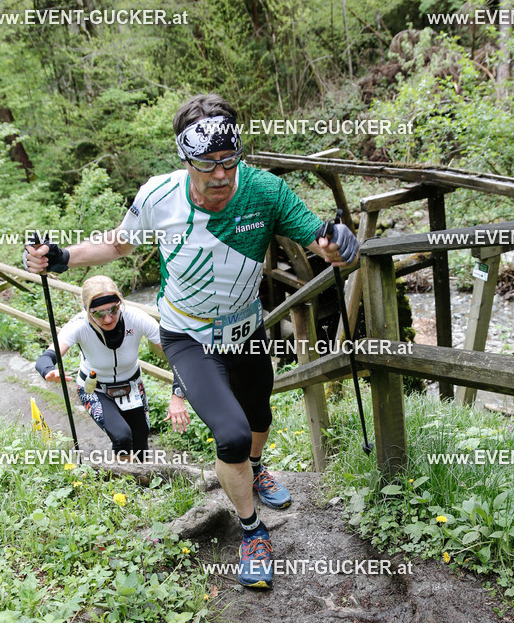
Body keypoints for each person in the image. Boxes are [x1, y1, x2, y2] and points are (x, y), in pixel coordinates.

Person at [24, 93, 359, 588]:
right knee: (232, 435)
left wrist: (341, 247)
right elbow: (119, 243)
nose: (221, 175)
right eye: (207, 165)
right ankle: (252, 532)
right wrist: (60, 257)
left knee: (260, 416)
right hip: (187, 336)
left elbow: (323, 243)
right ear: (185, 160)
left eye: (229, 161)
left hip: (246, 331)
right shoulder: (159, 196)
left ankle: (257, 470)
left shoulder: (266, 191)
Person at [34, 275, 167, 462]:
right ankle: (127, 480)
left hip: (132, 385)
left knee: (141, 441)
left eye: (113, 309)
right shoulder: (79, 324)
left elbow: (172, 349)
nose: (108, 318)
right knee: (122, 437)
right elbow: (46, 358)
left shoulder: (136, 318)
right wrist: (48, 371)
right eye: (98, 313)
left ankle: (142, 480)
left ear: (120, 303)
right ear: (88, 310)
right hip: (94, 389)